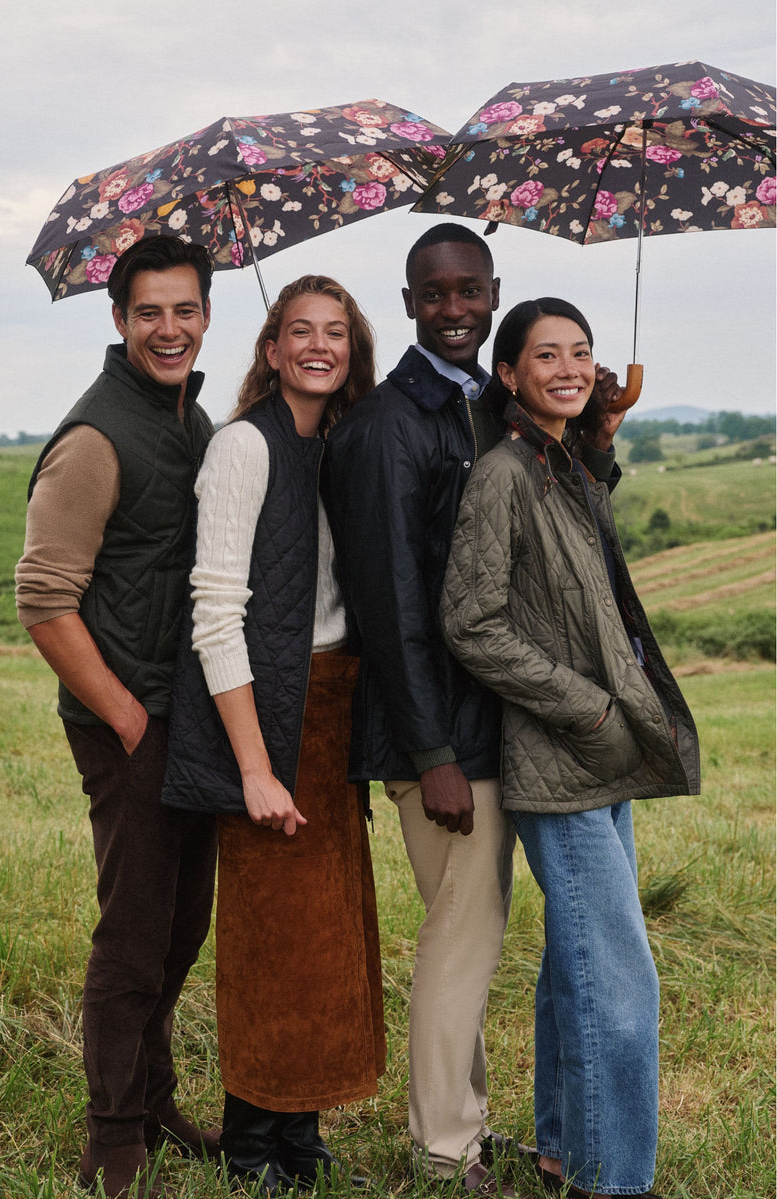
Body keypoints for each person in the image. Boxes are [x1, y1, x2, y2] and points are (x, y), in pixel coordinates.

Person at [325, 225, 622, 1197]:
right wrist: (431, 750)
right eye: (434, 292)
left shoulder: (492, 409)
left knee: (476, 931)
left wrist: (597, 441)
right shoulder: (385, 425)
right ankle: (445, 1149)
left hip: (492, 725)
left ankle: (465, 1124)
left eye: (469, 290)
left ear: (493, 294)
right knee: (462, 937)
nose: (453, 308)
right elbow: (389, 604)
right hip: (439, 738)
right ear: (408, 303)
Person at [440, 297, 700, 1199]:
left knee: (573, 966)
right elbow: (471, 623)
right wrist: (586, 708)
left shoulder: (562, 464)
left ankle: (561, 1152)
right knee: (618, 981)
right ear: (508, 374)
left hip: (602, 750)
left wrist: (600, 439)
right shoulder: (503, 474)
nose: (569, 367)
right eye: (545, 355)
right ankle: (612, 1180)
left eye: (580, 352)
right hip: (563, 755)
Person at [162, 275, 386, 1194]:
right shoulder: (243, 446)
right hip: (263, 715)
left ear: (353, 350)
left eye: (336, 331)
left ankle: (302, 1133)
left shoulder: (337, 443)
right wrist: (254, 767)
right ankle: (252, 1139)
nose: (319, 345)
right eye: (301, 330)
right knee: (270, 940)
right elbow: (216, 614)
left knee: (327, 935)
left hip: (332, 711)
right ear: (271, 349)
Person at [15, 236, 221, 1199]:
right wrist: (129, 719)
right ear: (119, 319)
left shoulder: (190, 418)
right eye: (149, 313)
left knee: (182, 925)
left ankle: (153, 1102)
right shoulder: (96, 438)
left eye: (184, 310)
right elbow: (42, 600)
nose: (168, 329)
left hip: (188, 716)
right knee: (134, 935)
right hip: (129, 717)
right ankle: (112, 1140)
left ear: (207, 314)